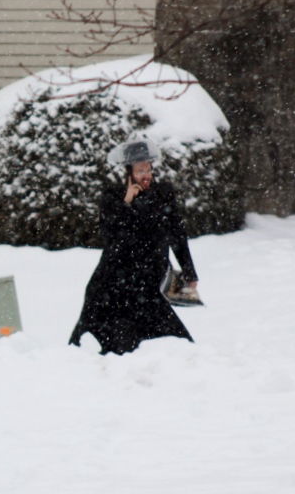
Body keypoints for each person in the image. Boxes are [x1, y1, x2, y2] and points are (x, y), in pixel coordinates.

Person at [69, 137, 199, 355]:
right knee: (111, 339)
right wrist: (127, 203)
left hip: (151, 277)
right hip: (115, 279)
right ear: (128, 173)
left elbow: (177, 234)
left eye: (148, 169)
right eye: (140, 170)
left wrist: (189, 271)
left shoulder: (163, 194)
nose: (146, 175)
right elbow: (110, 235)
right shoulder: (113, 197)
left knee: (170, 339)